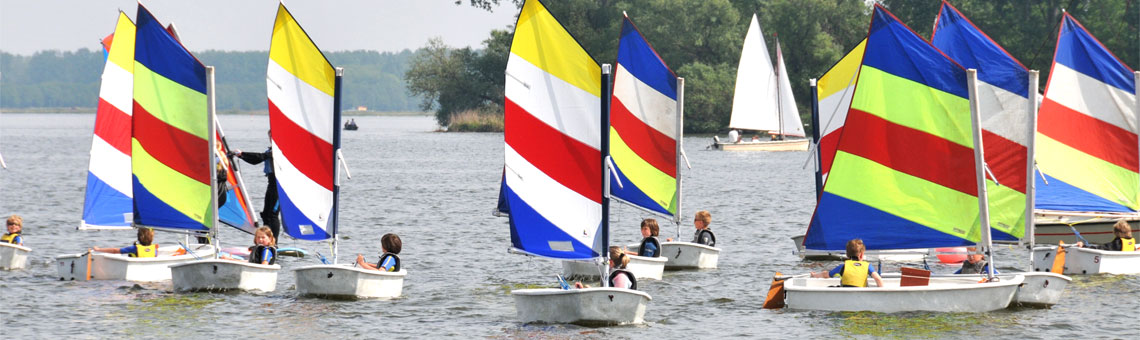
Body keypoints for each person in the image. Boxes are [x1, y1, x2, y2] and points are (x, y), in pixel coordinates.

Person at [234, 130, 280, 239]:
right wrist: (241, 156)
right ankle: (266, 240)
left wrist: (242, 154)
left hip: (280, 187)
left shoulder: (279, 150)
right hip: (271, 184)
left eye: (273, 136)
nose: (271, 139)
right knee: (266, 214)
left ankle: (274, 242)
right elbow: (255, 161)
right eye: (270, 136)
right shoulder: (270, 150)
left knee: (273, 215)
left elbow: (260, 157)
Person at [810, 239, 884, 288]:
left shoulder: (843, 266)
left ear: (847, 255)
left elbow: (826, 274)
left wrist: (814, 275)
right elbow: (878, 279)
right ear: (861, 255)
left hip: (846, 295)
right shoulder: (867, 266)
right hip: (861, 294)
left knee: (831, 287)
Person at [92, 228, 158, 257]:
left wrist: (98, 249)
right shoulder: (154, 250)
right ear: (152, 238)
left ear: (139, 237)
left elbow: (114, 250)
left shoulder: (134, 248)